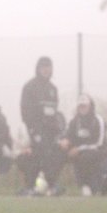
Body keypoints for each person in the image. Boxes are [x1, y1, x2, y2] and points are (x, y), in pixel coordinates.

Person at [19, 56, 66, 196]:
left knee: (53, 153)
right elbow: (25, 111)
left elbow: (54, 111)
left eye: (48, 67)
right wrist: (32, 128)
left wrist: (56, 127)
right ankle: (47, 185)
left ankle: (34, 187)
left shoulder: (53, 88)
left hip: (51, 130)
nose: (46, 70)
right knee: (40, 152)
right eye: (43, 67)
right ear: (38, 69)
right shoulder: (30, 87)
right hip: (36, 129)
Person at [59, 94, 107, 196]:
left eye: (84, 106)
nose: (82, 108)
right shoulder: (74, 121)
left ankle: (90, 187)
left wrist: (79, 149)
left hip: (99, 151)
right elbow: (69, 135)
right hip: (79, 151)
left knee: (85, 157)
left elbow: (99, 143)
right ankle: (52, 186)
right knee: (57, 154)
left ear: (90, 106)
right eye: (80, 106)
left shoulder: (98, 120)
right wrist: (65, 141)